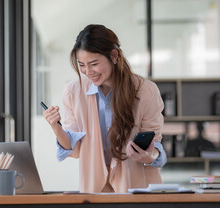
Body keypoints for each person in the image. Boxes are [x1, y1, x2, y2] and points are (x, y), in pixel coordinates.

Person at [43, 24, 167, 193]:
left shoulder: (145, 90)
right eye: (82, 65)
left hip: (137, 189)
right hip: (96, 191)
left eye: (94, 63)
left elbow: (156, 147)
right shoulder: (73, 92)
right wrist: (56, 128)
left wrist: (148, 156)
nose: (88, 71)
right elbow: (76, 150)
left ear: (114, 55)